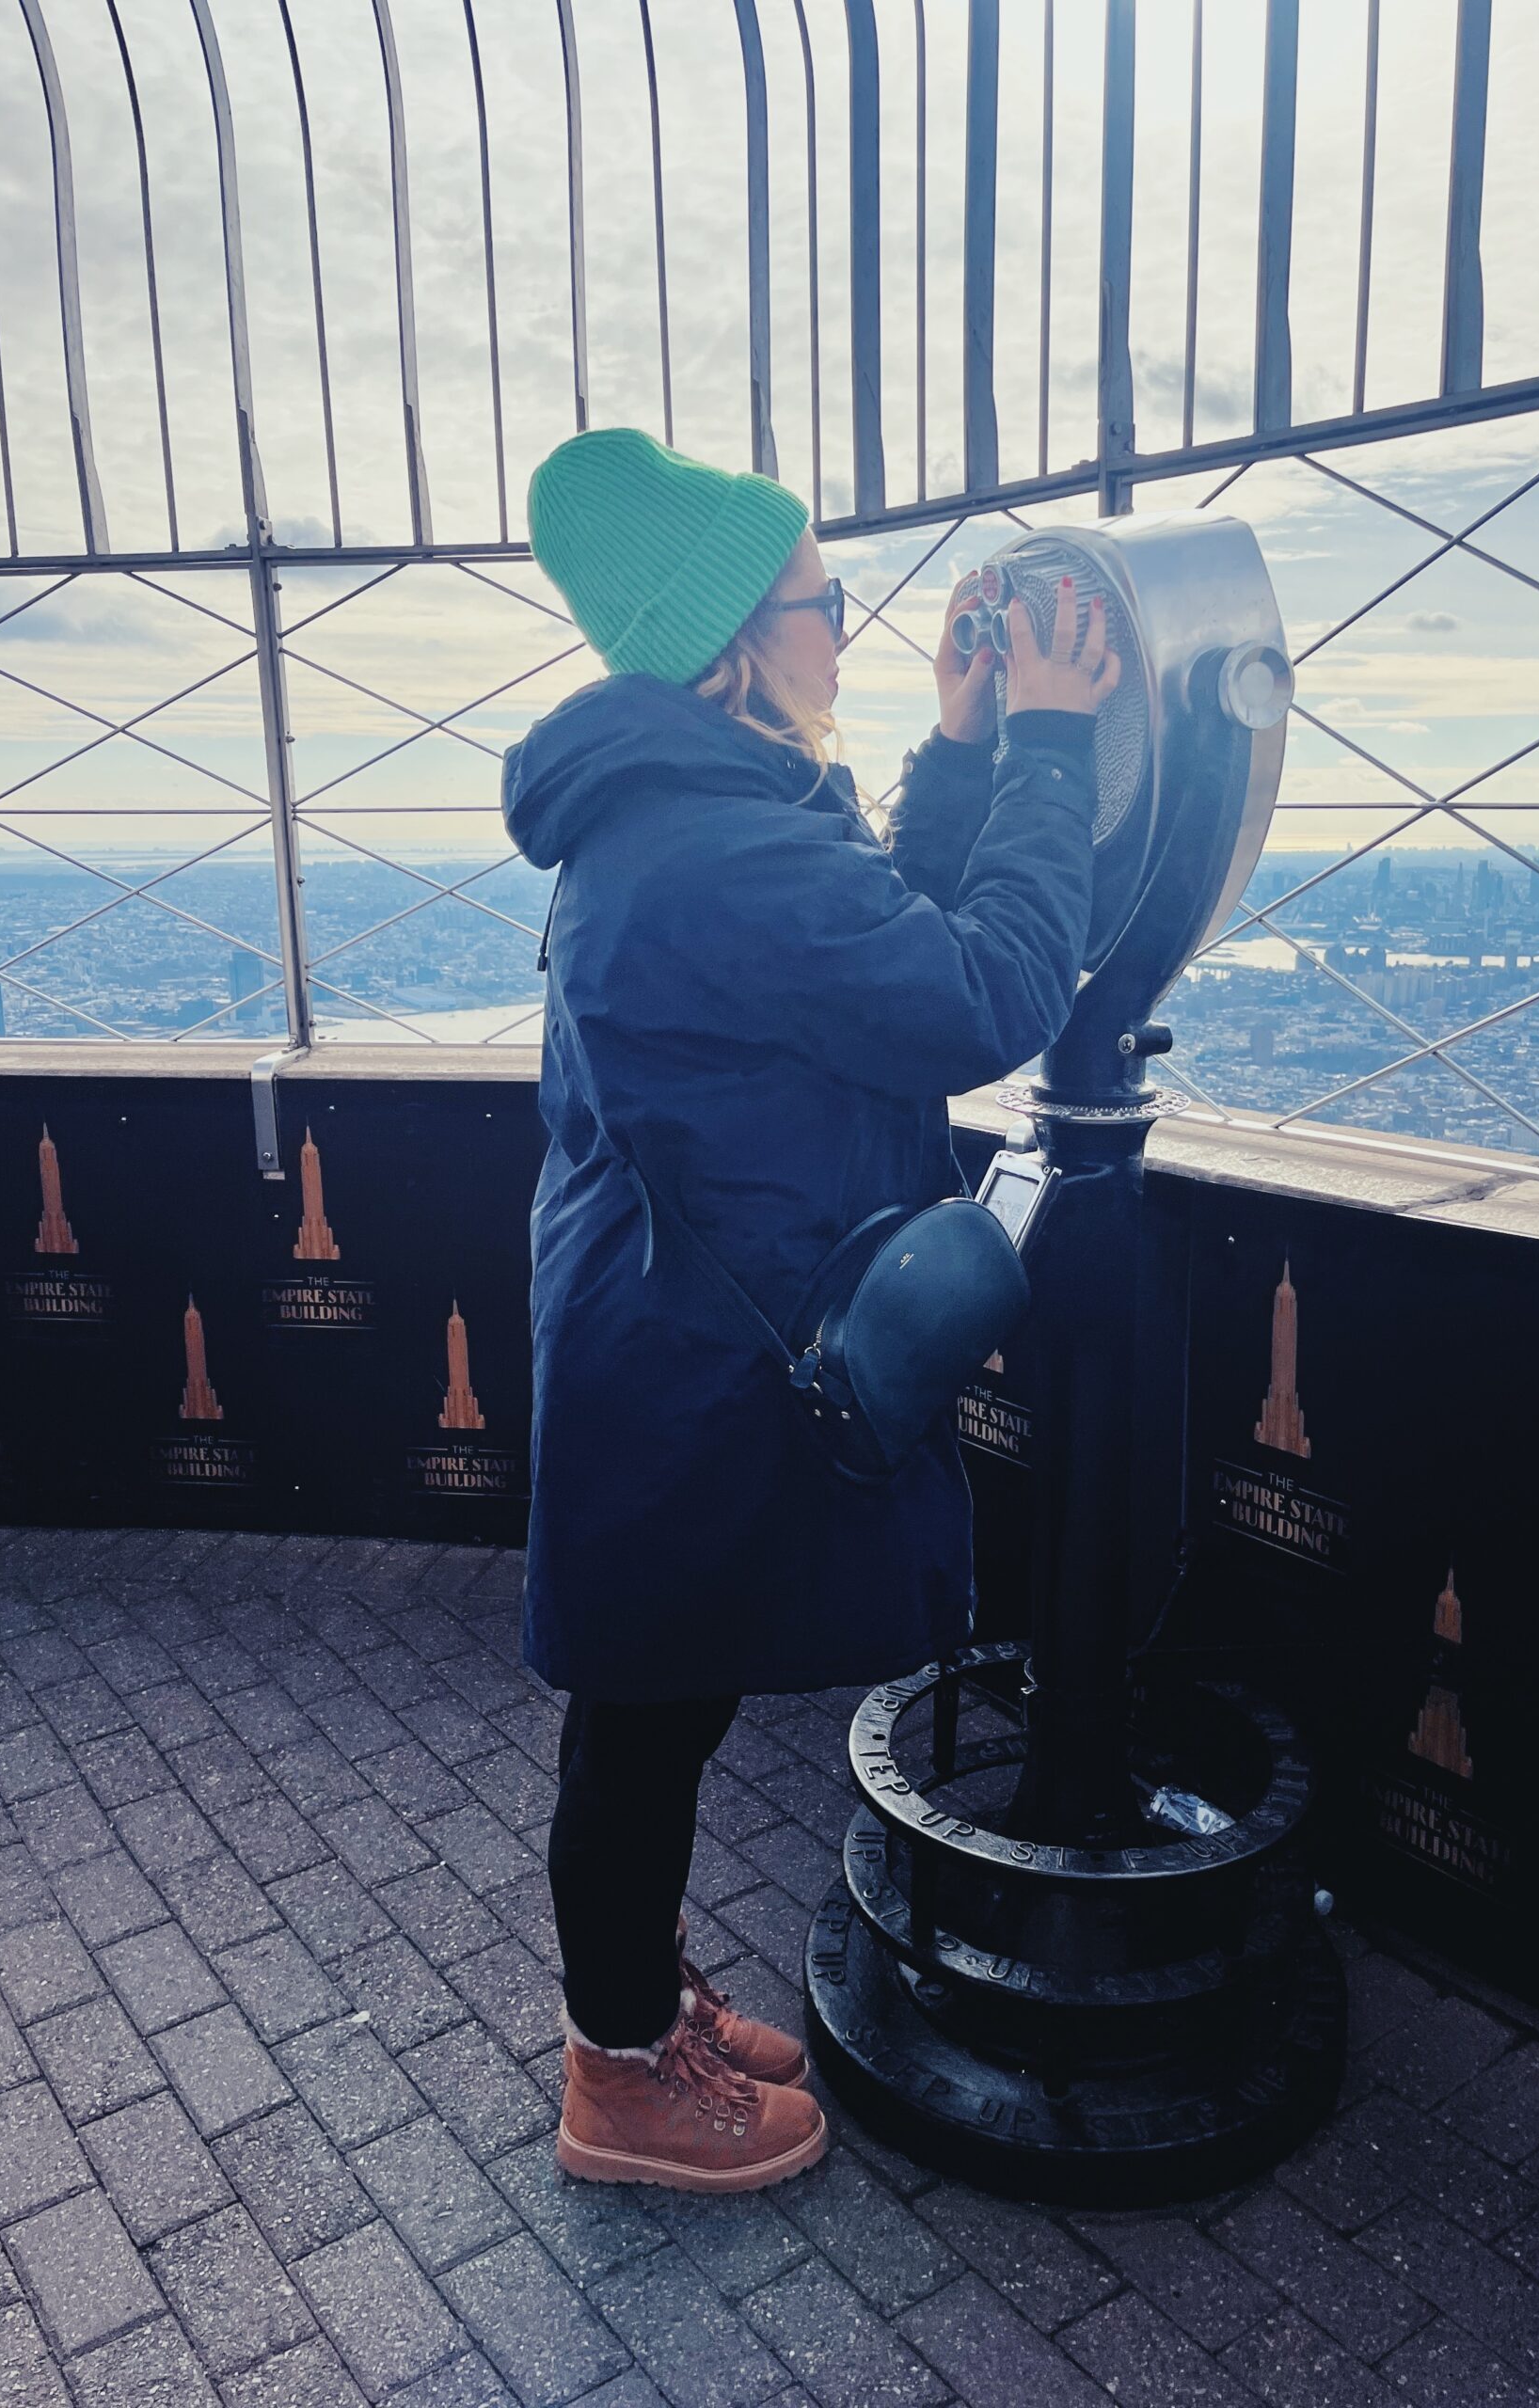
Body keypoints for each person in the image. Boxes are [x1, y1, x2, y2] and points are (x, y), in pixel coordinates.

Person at [502, 426, 1119, 2194]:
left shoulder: (691, 814)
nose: (843, 628)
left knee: (659, 1704)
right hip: (680, 1357)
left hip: (658, 1334)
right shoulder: (711, 846)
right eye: (821, 602)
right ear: (737, 645)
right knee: (643, 1724)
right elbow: (978, 989)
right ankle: (621, 2076)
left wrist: (959, 747)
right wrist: (1053, 747)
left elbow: (873, 931)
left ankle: (633, 2009)